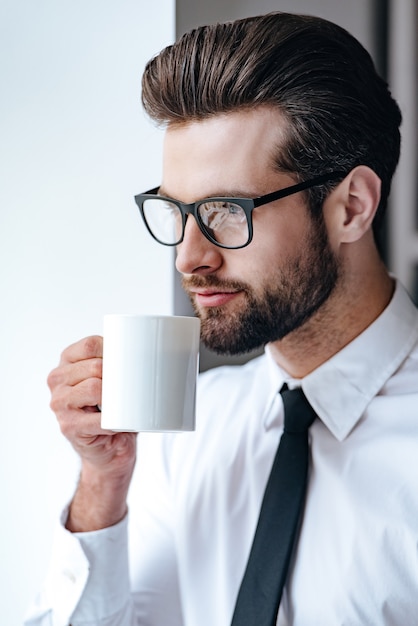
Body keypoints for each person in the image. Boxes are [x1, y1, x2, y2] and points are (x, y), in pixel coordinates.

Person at [25, 11, 418, 626]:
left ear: (351, 207)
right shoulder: (189, 437)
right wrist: (104, 483)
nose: (188, 256)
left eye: (226, 210)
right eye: (175, 212)